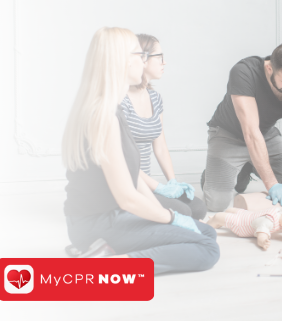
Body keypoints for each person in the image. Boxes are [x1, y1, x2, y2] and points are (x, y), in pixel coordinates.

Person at [62, 27, 220, 274]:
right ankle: (109, 266)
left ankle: (103, 253)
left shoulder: (110, 109)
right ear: (121, 62)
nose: (143, 61)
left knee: (207, 232)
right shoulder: (105, 117)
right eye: (139, 55)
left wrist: (165, 212)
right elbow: (126, 197)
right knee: (208, 249)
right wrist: (171, 218)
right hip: (98, 223)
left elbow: (132, 179)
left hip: (103, 219)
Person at [203, 43, 282, 211]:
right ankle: (236, 172)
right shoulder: (243, 72)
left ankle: (253, 164)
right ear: (269, 68)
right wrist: (272, 185)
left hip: (266, 134)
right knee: (217, 205)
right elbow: (251, 133)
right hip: (228, 135)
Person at [122, 34, 206, 220]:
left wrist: (172, 182)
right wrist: (159, 188)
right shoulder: (122, 102)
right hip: (128, 184)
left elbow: (160, 147)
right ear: (142, 59)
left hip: (147, 184)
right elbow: (124, 161)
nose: (164, 62)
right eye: (159, 57)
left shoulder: (155, 98)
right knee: (183, 212)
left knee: (198, 209)